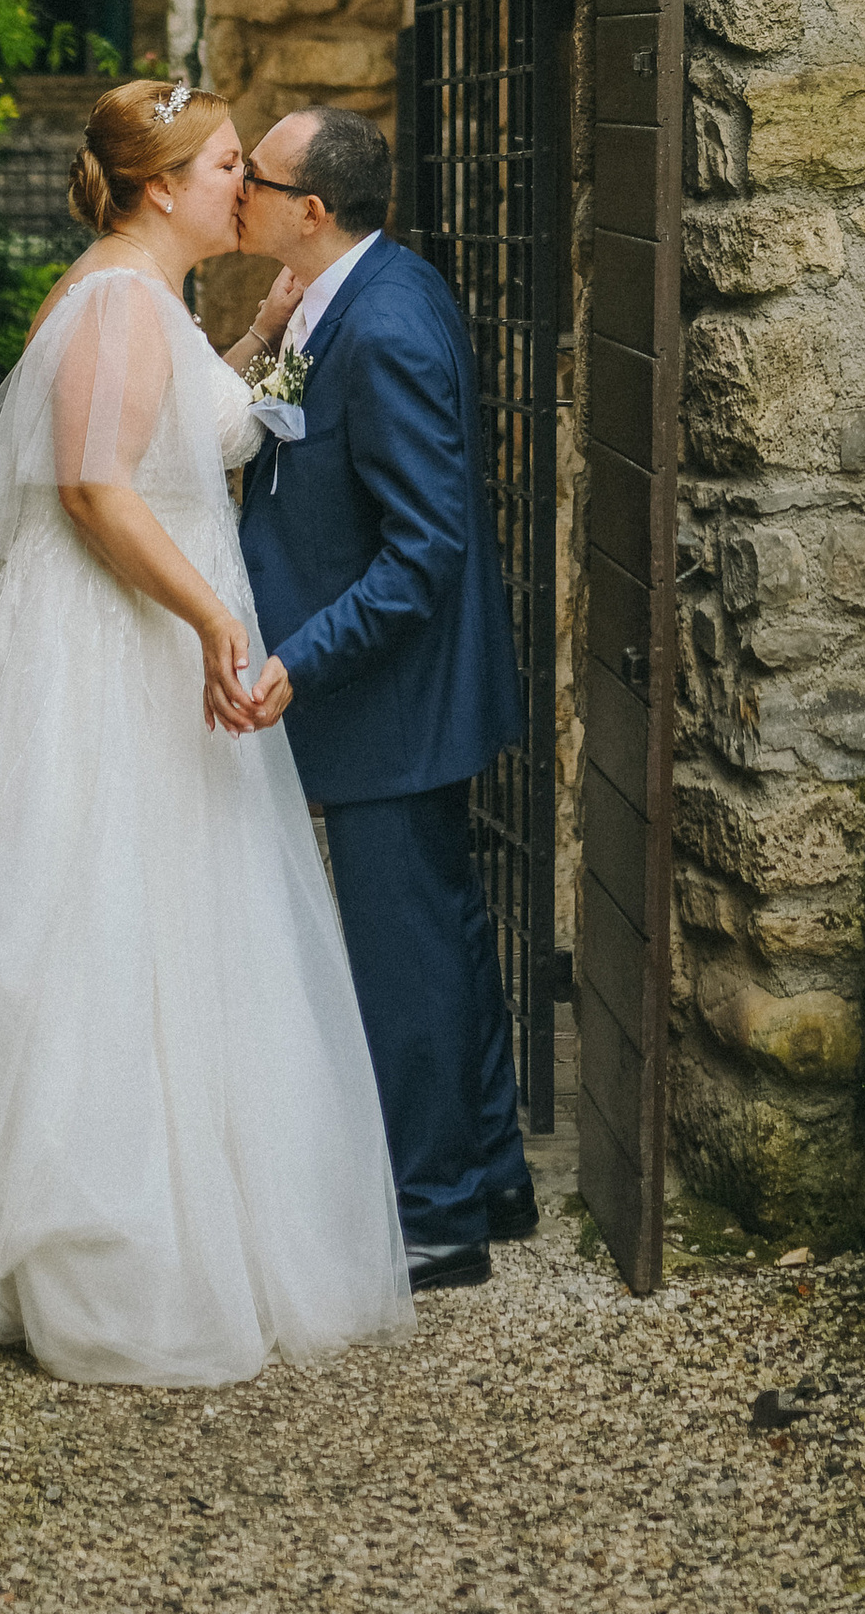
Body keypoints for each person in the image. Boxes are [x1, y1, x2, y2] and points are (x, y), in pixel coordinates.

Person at [0, 78, 413, 1385]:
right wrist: (214, 625)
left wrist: (268, 330)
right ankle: (68, 1234)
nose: (247, 183)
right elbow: (97, 491)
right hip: (104, 649)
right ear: (165, 185)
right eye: (229, 161)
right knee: (90, 911)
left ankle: (146, 1208)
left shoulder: (143, 295)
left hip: (148, 637)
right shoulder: (118, 299)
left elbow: (178, 427)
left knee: (167, 921)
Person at [231, 106, 537, 1295]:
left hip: (391, 699)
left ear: (311, 209)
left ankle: (435, 1219)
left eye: (253, 177)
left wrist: (303, 658)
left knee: (406, 955)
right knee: (442, 932)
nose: (237, 190)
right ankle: (490, 1174)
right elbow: (284, 439)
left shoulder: (390, 323)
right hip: (384, 699)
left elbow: (424, 551)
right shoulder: (331, 299)